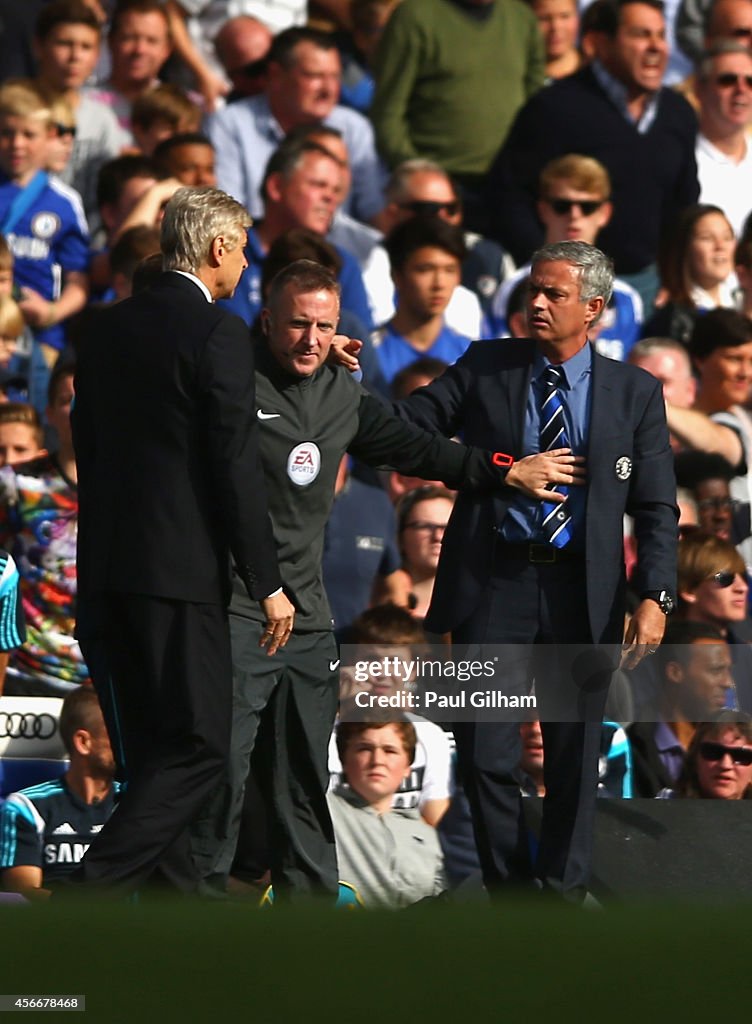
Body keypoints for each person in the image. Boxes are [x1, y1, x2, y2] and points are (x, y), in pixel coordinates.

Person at [190, 258, 545, 900]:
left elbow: (422, 449)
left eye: (323, 327)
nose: (310, 340)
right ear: (266, 321)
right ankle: (201, 920)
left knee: (303, 777)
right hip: (235, 610)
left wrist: (504, 469)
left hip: (308, 619)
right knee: (224, 772)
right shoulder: (228, 379)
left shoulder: (341, 392)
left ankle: (311, 917)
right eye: (297, 324)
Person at [383, 239, 677, 901]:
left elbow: (657, 505)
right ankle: (513, 900)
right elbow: (407, 427)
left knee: (574, 759)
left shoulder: (634, 392)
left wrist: (655, 594)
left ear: (595, 308)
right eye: (533, 292)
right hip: (496, 586)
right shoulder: (487, 366)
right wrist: (493, 467)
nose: (537, 304)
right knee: (486, 756)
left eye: (554, 294)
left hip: (583, 591)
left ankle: (564, 897)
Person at [70, 185, 293, 894]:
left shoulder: (101, 330)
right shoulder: (216, 330)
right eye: (244, 247)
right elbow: (233, 462)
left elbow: (89, 454)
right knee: (198, 747)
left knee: (154, 757)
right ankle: (86, 898)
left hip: (106, 576)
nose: (246, 263)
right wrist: (268, 580)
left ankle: (178, 922)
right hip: (179, 579)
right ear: (219, 246)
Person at [487, 0, 699, 313]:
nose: (656, 47)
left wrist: (675, 278)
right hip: (570, 293)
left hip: (650, 287)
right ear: (598, 43)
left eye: (660, 35)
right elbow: (509, 198)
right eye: (641, 35)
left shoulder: (678, 112)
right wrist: (554, 278)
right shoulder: (553, 109)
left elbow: (684, 204)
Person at [370, 0, 545, 231]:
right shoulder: (415, 16)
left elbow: (536, 110)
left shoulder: (521, 17)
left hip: (507, 188)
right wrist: (420, 179)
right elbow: (387, 112)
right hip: (435, 197)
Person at [206, 27, 385, 225]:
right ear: (276, 74)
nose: (328, 89)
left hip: (336, 250)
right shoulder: (230, 124)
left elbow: (375, 210)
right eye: (314, 76)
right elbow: (225, 214)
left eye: (335, 77)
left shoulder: (354, 128)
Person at [489, 154, 643, 361]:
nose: (574, 215)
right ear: (543, 210)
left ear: (605, 213)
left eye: (587, 207)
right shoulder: (514, 289)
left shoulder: (628, 300)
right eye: (562, 206)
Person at [0, 686, 117, 894]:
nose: (125, 745)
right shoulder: (25, 808)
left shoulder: (133, 802)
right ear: (83, 742)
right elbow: (25, 894)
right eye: (115, 736)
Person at [327, 718, 447, 908]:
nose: (377, 761)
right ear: (344, 760)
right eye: (364, 749)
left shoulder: (428, 837)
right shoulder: (321, 813)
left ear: (408, 767)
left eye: (390, 750)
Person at [628, 620, 733, 796]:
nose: (727, 683)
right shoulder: (631, 753)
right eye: (716, 671)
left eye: (728, 671)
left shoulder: (736, 755)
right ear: (675, 673)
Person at [373, 217, 471, 385]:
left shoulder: (470, 355)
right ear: (397, 276)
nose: (439, 283)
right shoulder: (369, 351)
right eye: (425, 270)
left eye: (449, 270)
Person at [642, 204, 737, 344]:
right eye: (707, 238)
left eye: (727, 237)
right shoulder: (673, 318)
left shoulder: (741, 303)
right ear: (685, 248)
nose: (720, 246)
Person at [695, 41, 752, 237]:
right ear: (699, 89)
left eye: (750, 81)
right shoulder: (681, 161)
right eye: (728, 80)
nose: (741, 89)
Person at [659, 711, 752, 797]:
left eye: (740, 756)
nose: (725, 765)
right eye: (713, 752)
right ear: (694, 760)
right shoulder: (663, 806)